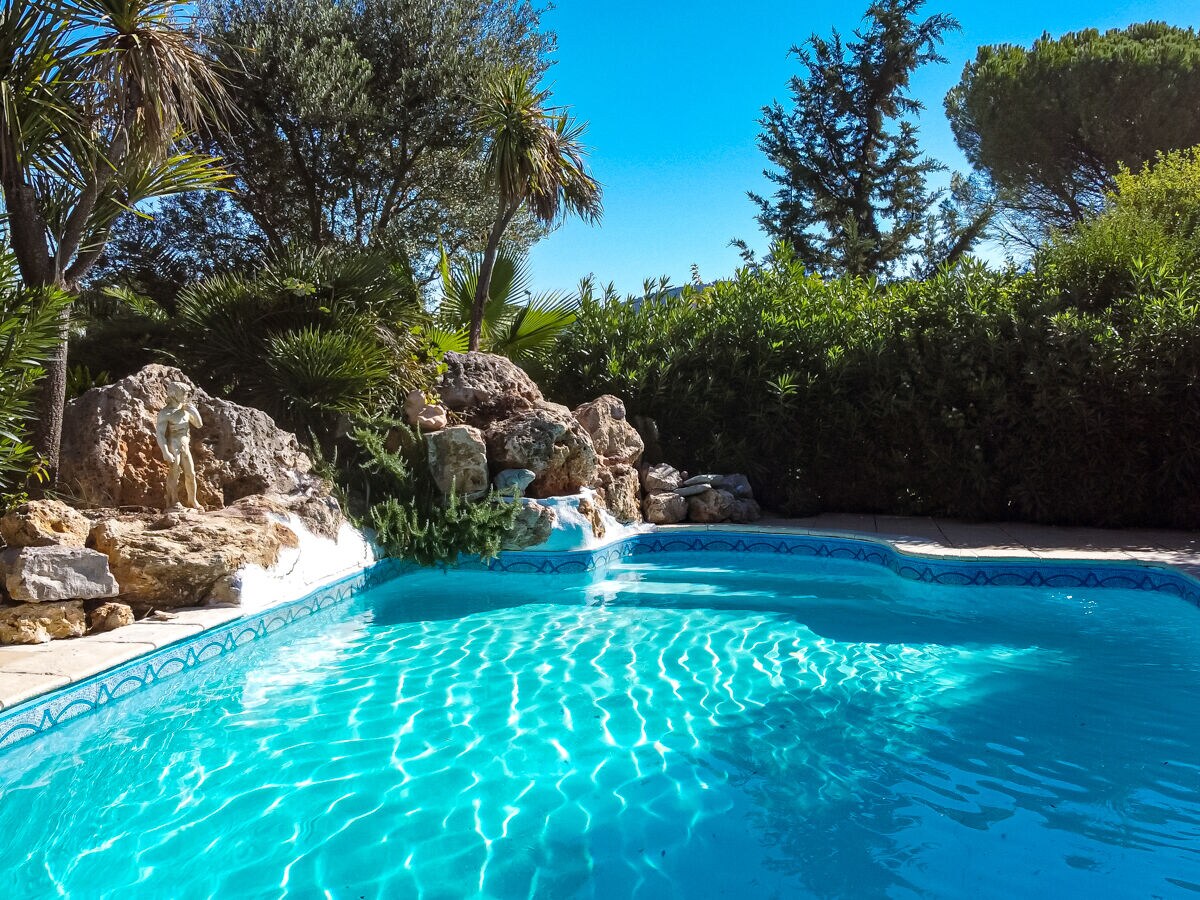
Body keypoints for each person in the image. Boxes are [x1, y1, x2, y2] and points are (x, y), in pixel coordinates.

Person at [155, 381, 203, 509]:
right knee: (174, 473)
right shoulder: (165, 413)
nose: (186, 396)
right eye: (184, 393)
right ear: (174, 394)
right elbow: (160, 434)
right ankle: (173, 501)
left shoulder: (185, 410)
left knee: (191, 473)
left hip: (185, 445)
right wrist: (165, 452)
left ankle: (192, 500)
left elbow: (198, 425)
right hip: (173, 445)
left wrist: (194, 412)